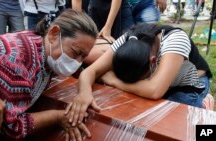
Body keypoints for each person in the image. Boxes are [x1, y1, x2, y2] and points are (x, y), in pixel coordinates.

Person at [0, 9, 98, 140]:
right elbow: (11, 128)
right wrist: (57, 117)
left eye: (83, 57)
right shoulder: (16, 64)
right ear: (53, 34)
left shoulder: (43, 47)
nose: (76, 62)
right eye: (75, 52)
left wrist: (85, 91)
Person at [64, 23, 213, 127]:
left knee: (176, 124)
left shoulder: (175, 40)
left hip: (188, 84)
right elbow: (89, 72)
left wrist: (112, 80)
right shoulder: (128, 39)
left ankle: (204, 104)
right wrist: (83, 93)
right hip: (156, 83)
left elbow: (154, 91)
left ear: (153, 61)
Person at [72, 0, 166, 43]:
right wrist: (80, 26)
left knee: (139, 40)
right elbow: (76, 1)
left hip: (134, 5)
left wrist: (108, 27)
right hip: (98, 6)